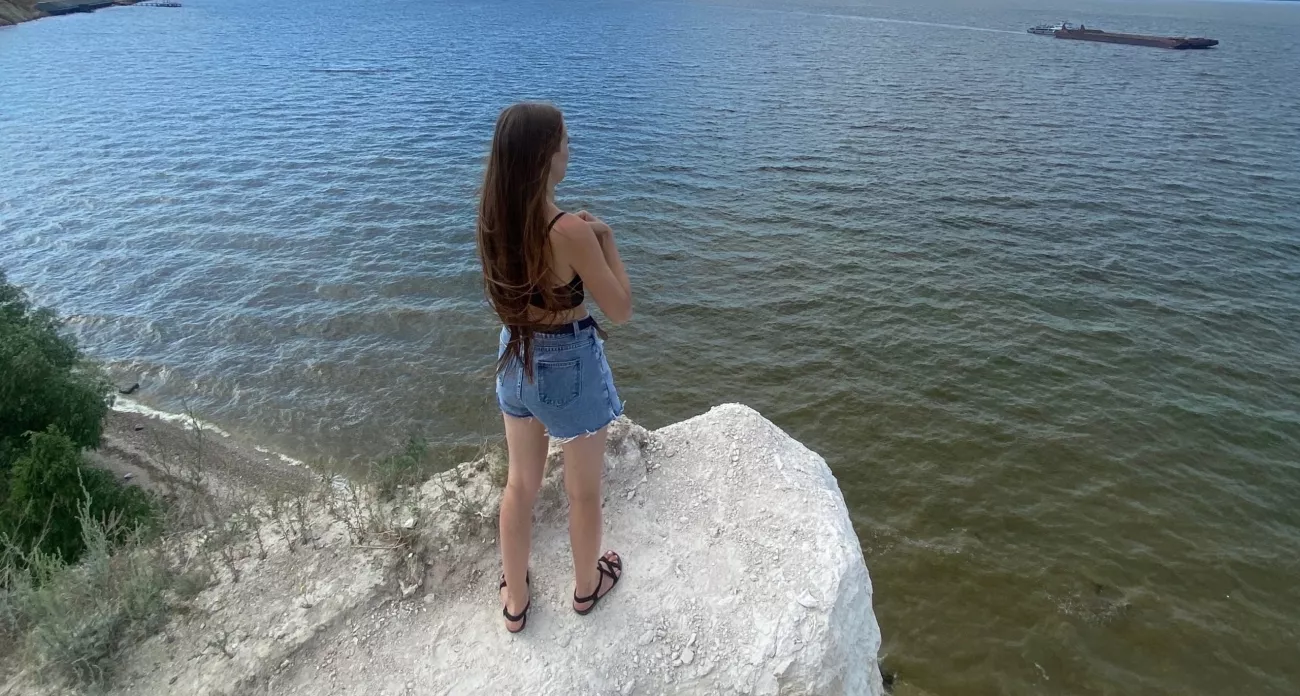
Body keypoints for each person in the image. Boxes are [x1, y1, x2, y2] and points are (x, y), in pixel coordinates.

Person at [475, 102, 633, 633]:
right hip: (567, 360)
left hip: (515, 353)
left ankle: (515, 601)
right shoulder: (569, 231)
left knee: (520, 484)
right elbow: (620, 309)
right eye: (565, 140)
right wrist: (606, 240)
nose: (571, 148)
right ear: (546, 154)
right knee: (582, 491)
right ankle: (587, 588)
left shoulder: (494, 216)